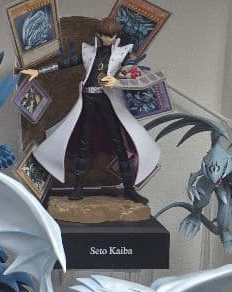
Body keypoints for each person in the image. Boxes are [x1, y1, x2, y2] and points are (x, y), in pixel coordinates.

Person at [28, 17, 159, 202]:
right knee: (83, 143)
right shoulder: (89, 52)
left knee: (119, 143)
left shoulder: (122, 53)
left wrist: (117, 80)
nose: (109, 39)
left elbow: (130, 72)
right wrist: (39, 71)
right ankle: (78, 188)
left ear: (116, 36)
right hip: (88, 100)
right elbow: (66, 63)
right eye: (105, 35)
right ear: (99, 34)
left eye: (112, 36)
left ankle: (129, 189)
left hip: (107, 100)